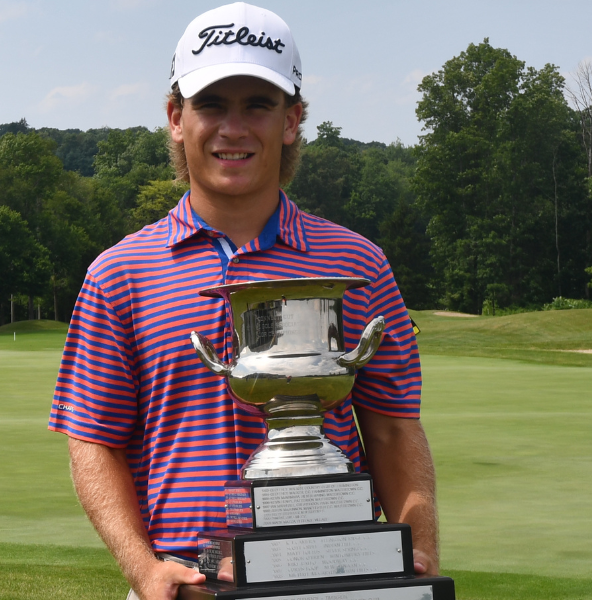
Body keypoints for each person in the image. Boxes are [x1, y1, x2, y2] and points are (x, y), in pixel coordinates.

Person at [46, 5, 438, 600]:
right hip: (184, 586)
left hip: (331, 579)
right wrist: (142, 568)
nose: (234, 128)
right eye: (211, 105)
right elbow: (93, 442)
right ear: (176, 118)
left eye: (258, 104)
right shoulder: (119, 273)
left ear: (292, 120)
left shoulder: (357, 264)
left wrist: (419, 543)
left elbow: (391, 429)